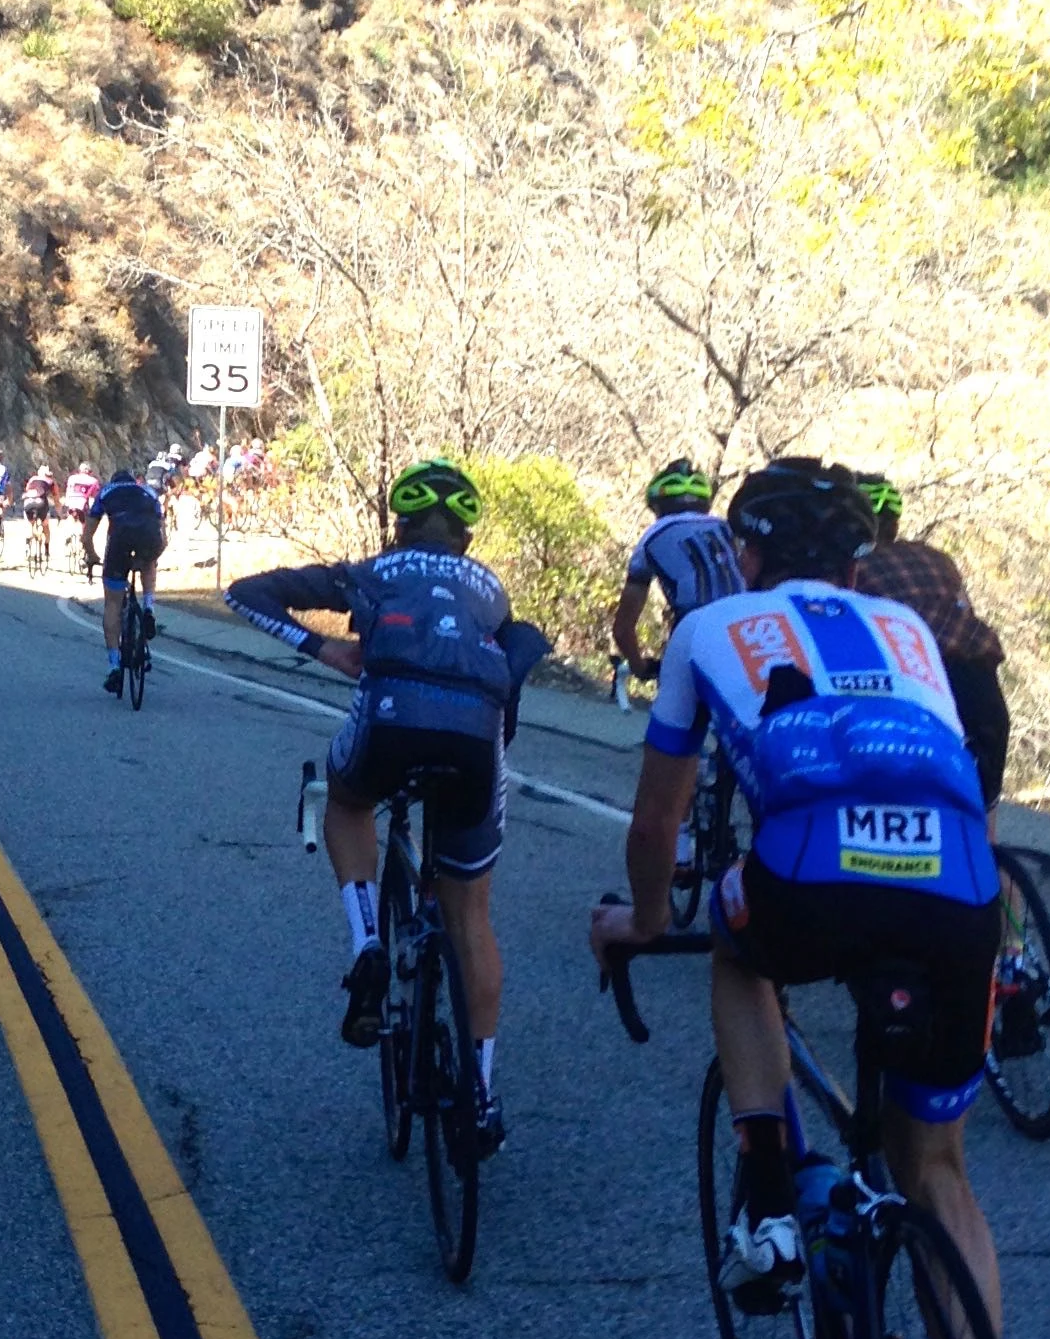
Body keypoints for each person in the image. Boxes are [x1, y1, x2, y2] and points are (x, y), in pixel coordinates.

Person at [587, 460, 1007, 1339]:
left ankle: (771, 1195)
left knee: (740, 952)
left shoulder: (706, 629)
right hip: (962, 889)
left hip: (810, 879)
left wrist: (645, 922)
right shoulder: (907, 631)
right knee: (935, 1166)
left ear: (745, 554)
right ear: (859, 570)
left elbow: (658, 824)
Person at [228, 459, 547, 1150]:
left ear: (398, 527)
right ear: (466, 535)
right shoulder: (491, 591)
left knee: (343, 801)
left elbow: (243, 592)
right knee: (471, 918)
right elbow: (510, 686)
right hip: (475, 743)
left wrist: (325, 647)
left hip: (390, 720)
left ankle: (368, 938)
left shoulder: (370, 573)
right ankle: (482, 1097)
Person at [847, 474, 1010, 825]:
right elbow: (963, 610)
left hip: (920, 688)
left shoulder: (852, 572)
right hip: (982, 690)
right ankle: (995, 872)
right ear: (895, 521)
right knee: (983, 832)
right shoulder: (936, 560)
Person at [608, 458, 742, 678]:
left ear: (657, 506)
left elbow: (622, 629)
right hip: (750, 628)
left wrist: (640, 667)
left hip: (694, 630)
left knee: (675, 707)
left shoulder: (651, 539)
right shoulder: (729, 530)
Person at [83, 467, 166, 693]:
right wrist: (148, 559)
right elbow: (163, 538)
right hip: (149, 537)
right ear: (133, 481)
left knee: (112, 604)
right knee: (149, 562)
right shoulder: (148, 492)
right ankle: (149, 608)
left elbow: (87, 534)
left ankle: (113, 666)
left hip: (120, 541)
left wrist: (92, 557)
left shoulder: (106, 492)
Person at [19, 462, 59, 563]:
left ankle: (28, 544)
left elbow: (27, 490)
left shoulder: (32, 479)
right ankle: (46, 551)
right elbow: (56, 500)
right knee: (46, 526)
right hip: (41, 503)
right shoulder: (51, 481)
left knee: (30, 524)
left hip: (28, 502)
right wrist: (59, 513)